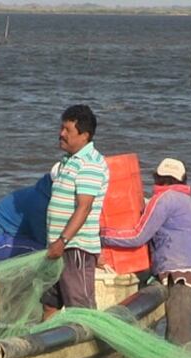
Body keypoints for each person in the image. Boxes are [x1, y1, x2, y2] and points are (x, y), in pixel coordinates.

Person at [101, 158, 191, 345]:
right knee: (180, 328)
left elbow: (138, 236)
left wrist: (103, 235)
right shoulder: (185, 200)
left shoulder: (164, 199)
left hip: (180, 273)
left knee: (177, 334)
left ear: (160, 180)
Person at [40, 105, 109, 319]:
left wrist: (62, 241)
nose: (61, 134)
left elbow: (84, 207)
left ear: (84, 135)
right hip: (56, 247)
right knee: (50, 303)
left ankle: (88, 350)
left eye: (68, 130)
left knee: (80, 309)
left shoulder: (90, 164)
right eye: (61, 128)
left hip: (75, 248)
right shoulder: (67, 160)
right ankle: (46, 346)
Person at [0, 165, 56, 264]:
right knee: (47, 253)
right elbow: (43, 240)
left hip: (17, 239)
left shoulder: (43, 193)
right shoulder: (40, 201)